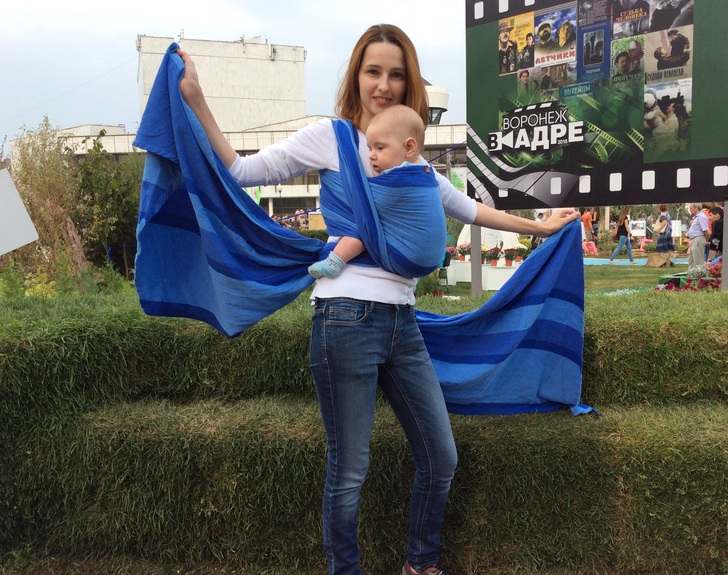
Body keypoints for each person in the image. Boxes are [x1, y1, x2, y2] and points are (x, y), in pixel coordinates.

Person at [176, 24, 578, 575]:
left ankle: (421, 564)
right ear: (356, 77)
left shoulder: (414, 164)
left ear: (409, 83)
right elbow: (242, 171)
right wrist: (196, 99)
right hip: (345, 317)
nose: (383, 85)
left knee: (441, 457)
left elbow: (470, 209)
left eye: (395, 74)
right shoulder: (332, 138)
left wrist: (541, 226)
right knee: (350, 469)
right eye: (373, 72)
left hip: (403, 324)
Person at [308, 104, 429, 279]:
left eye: (380, 148)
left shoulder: (401, 180)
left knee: (362, 230)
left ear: (409, 147)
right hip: (423, 261)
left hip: (405, 256)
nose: (371, 155)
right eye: (370, 148)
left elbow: (363, 196)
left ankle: (334, 262)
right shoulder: (425, 173)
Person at [687, 202, 710, 271]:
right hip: (694, 239)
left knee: (698, 260)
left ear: (696, 208)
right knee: (691, 260)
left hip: (698, 239)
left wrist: (707, 240)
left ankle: (700, 273)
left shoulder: (701, 217)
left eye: (691, 208)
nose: (690, 209)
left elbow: (706, 230)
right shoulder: (696, 217)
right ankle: (691, 272)